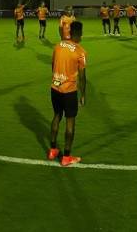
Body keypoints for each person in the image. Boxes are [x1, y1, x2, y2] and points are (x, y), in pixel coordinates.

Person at [48, 20, 87, 166]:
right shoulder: (80, 52)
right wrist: (83, 95)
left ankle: (52, 150)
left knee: (57, 116)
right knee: (70, 122)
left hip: (55, 87)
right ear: (80, 33)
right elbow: (82, 77)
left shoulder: (58, 46)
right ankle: (66, 157)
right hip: (69, 91)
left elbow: (52, 66)